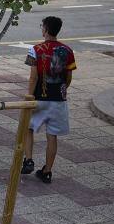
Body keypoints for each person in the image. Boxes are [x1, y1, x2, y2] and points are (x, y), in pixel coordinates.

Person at [21, 16, 76, 184]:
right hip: (58, 100)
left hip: (39, 97)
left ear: (45, 29)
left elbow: (33, 77)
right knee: (52, 136)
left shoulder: (35, 49)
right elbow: (69, 77)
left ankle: (29, 159)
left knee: (27, 127)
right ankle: (47, 171)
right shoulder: (67, 50)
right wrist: (62, 89)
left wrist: (29, 97)